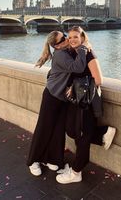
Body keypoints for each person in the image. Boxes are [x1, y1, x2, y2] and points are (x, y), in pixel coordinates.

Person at [56, 26, 116, 184]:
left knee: (82, 136)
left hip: (86, 102)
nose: (72, 39)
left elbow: (98, 79)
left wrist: (76, 87)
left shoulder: (89, 53)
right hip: (76, 101)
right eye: (70, 37)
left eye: (76, 36)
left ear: (83, 38)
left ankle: (76, 172)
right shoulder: (74, 53)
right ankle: (103, 132)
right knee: (73, 130)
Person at [27, 30, 88, 176]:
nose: (67, 38)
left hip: (61, 98)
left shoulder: (66, 51)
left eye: (65, 36)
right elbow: (77, 67)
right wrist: (83, 49)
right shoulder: (61, 55)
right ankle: (33, 160)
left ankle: (53, 159)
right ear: (57, 46)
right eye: (63, 38)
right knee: (44, 128)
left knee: (58, 130)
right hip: (52, 96)